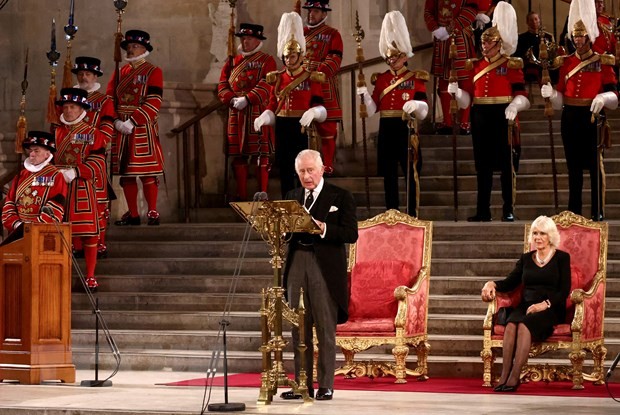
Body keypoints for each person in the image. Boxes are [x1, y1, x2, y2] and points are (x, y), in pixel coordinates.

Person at [279, 149, 358, 401]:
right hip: (296, 264)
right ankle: (302, 383)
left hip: (324, 266)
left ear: (322, 169)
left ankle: (325, 384)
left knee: (325, 326)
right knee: (297, 327)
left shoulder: (341, 196)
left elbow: (351, 234)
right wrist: (281, 231)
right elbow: (286, 231)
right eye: (301, 171)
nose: (306, 176)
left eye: (310, 170)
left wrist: (324, 228)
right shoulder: (292, 196)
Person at [449, 2, 530, 222]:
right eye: (483, 43)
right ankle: (483, 210)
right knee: (482, 167)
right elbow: (468, 100)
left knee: (506, 166)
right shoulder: (474, 66)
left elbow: (523, 95)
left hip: (503, 115)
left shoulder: (510, 65)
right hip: (481, 116)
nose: (485, 47)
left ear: (498, 43)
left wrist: (515, 105)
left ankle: (508, 208)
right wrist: (456, 93)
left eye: (489, 43)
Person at [541, 0, 618, 221]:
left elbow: (614, 95)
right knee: (573, 168)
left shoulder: (602, 61)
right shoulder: (565, 63)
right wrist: (551, 95)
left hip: (592, 117)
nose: (578, 40)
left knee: (595, 167)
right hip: (570, 117)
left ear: (589, 37)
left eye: (582, 36)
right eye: (575, 36)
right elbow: (560, 99)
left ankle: (597, 212)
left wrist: (603, 98)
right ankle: (574, 212)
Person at [481, 215, 571, 392]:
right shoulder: (526, 258)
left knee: (523, 324)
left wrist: (544, 304)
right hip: (527, 304)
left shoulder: (562, 258)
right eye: (535, 233)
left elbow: (564, 290)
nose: (538, 237)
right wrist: (491, 283)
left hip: (550, 308)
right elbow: (510, 282)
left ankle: (515, 376)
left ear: (550, 236)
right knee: (511, 324)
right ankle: (504, 374)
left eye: (542, 233)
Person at [356, 10, 429, 217]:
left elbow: (424, 109)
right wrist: (364, 97)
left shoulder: (416, 78)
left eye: (395, 56)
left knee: (411, 174)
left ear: (404, 56)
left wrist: (415, 104)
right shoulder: (380, 79)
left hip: (406, 128)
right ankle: (392, 212)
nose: (391, 60)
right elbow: (372, 110)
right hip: (386, 128)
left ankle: (413, 214)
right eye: (389, 57)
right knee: (388, 174)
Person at [254, 12, 327, 198]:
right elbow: (273, 103)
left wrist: (314, 112)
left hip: (302, 127)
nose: (288, 60)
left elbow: (321, 106)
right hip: (283, 125)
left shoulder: (311, 77)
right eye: (286, 57)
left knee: (304, 170)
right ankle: (288, 203)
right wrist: (266, 116)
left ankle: (306, 202)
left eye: (292, 57)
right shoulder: (278, 78)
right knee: (285, 168)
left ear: (300, 55)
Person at [107, 29, 165, 226]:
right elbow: (109, 99)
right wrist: (115, 121)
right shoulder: (119, 72)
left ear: (144, 48)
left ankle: (153, 212)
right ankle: (132, 213)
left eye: (135, 46)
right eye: (129, 46)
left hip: (141, 127)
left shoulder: (153, 71)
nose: (130, 50)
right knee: (127, 174)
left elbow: (154, 101)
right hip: (121, 127)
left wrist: (133, 122)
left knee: (147, 173)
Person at [54, 87, 109, 291]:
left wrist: (76, 171)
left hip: (82, 188)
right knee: (60, 233)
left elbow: (98, 163)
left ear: (81, 109)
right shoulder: (57, 132)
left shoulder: (93, 133)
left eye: (72, 107)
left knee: (88, 233)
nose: (68, 110)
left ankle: (91, 275)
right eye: (66, 106)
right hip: (59, 188)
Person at [217, 23, 277, 201]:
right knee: (238, 155)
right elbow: (222, 85)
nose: (245, 42)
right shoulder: (231, 61)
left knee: (261, 154)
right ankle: (241, 195)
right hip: (236, 113)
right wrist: (231, 99)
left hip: (258, 111)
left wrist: (249, 98)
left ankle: (263, 192)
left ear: (258, 40)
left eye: (249, 38)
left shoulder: (267, 60)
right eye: (243, 38)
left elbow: (268, 83)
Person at [72, 56, 115, 258]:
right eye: (80, 73)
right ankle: (77, 245)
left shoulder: (104, 101)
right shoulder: (68, 100)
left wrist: (86, 140)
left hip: (93, 158)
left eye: (87, 73)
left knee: (98, 203)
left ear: (95, 75)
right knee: (72, 203)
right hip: (70, 159)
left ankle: (100, 244)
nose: (83, 77)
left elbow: (106, 132)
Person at [2, 131, 67, 245]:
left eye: (36, 151)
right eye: (31, 151)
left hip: (43, 234)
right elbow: (9, 203)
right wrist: (17, 224)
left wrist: (34, 228)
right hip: (17, 232)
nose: (32, 154)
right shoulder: (21, 175)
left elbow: (56, 207)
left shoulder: (56, 176)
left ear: (47, 154)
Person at [424, 0, 478, 135]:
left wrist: (450, 28)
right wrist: (435, 29)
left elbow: (472, 9)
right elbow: (428, 11)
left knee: (465, 79)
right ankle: (448, 122)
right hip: (441, 40)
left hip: (461, 36)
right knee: (443, 81)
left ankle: (465, 122)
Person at [302, 0, 343, 173]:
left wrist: (318, 70)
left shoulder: (333, 34)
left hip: (323, 83)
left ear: (324, 14)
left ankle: (328, 165)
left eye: (316, 11)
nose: (312, 14)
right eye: (310, 11)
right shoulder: (300, 33)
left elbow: (335, 59)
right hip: (302, 84)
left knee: (327, 128)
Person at [514, 11, 556, 84]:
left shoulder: (548, 36)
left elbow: (553, 53)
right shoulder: (522, 38)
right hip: (530, 68)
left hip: (546, 67)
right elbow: (519, 55)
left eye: (536, 19)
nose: (534, 22)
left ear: (539, 20)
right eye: (531, 20)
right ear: (527, 22)